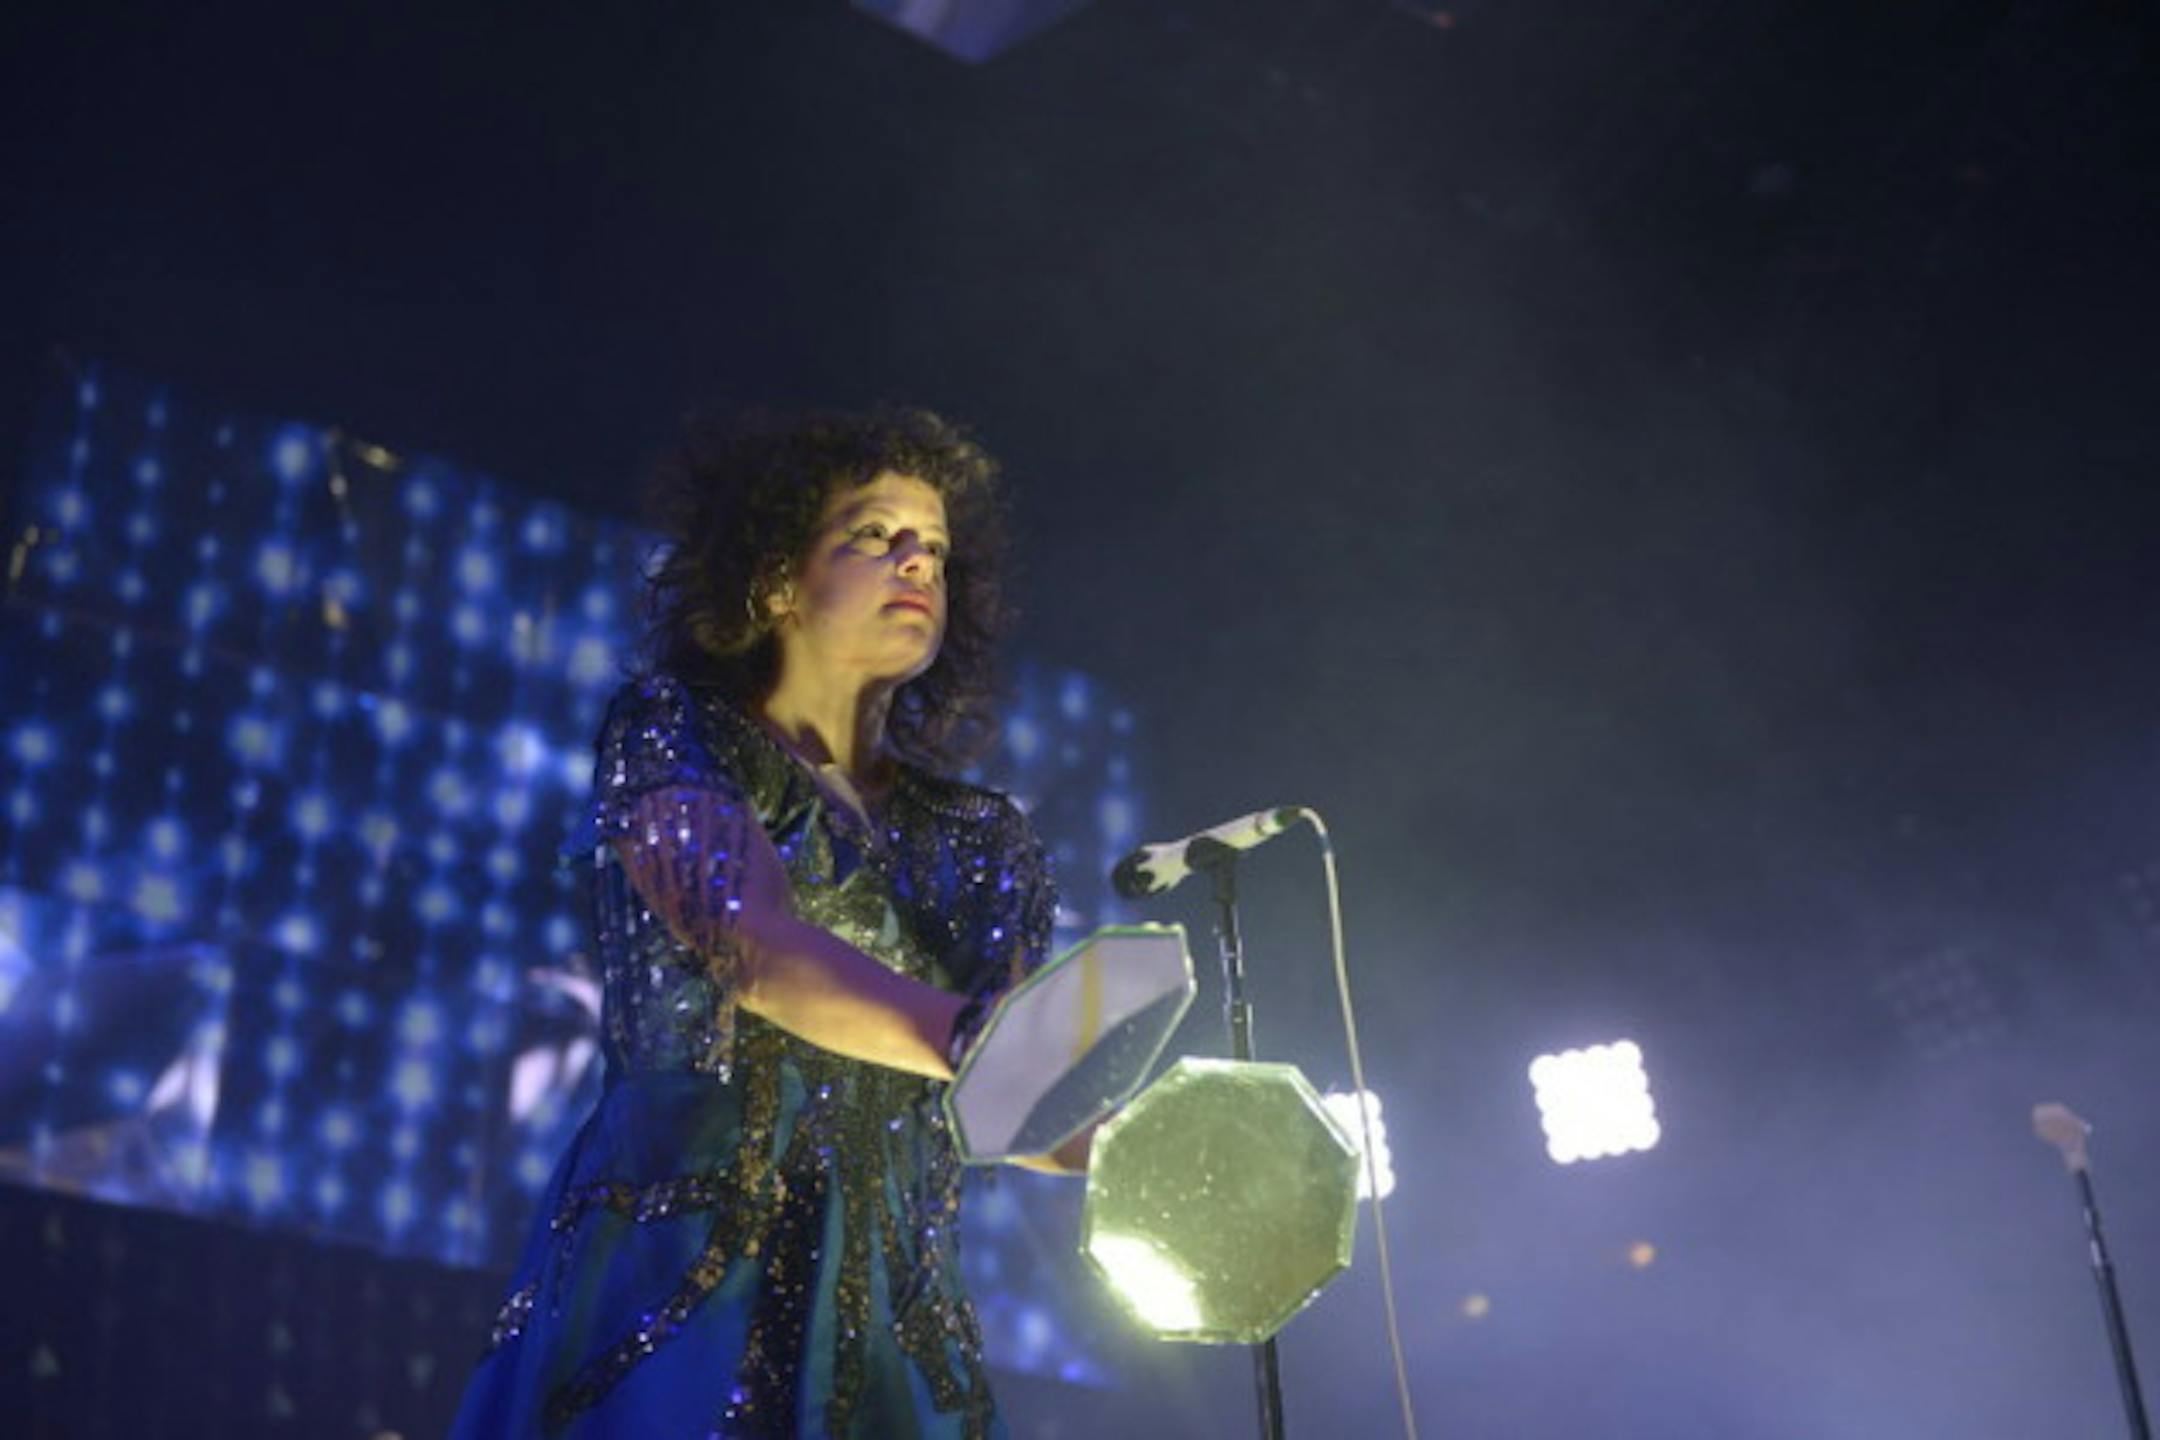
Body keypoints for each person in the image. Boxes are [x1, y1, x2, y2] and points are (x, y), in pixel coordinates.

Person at [449, 409, 1081, 1439]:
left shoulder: (986, 837)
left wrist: (1164, 1141)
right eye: (876, 534)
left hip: (891, 1306)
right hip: (683, 1266)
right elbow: (752, 947)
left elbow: (1023, 1104)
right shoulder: (673, 728)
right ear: (775, 578)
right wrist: (971, 1039)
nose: (917, 560)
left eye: (936, 548)